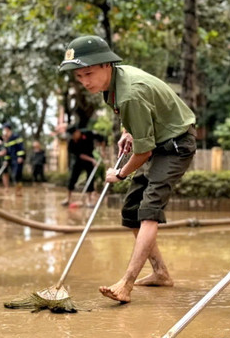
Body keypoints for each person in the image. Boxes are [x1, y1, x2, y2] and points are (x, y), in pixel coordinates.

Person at [59, 35, 196, 303]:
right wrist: (129, 130)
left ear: (106, 65)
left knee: (148, 212)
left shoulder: (130, 92)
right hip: (157, 140)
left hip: (175, 144)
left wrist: (119, 174)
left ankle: (126, 283)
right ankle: (161, 273)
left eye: (88, 73)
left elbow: (143, 152)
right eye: (79, 77)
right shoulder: (112, 85)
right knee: (132, 210)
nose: (85, 81)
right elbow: (139, 117)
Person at [62, 127, 99, 206]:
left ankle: (89, 200)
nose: (72, 137)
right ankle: (68, 198)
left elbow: (101, 138)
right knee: (72, 178)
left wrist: (102, 151)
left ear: (77, 132)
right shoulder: (71, 143)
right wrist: (92, 160)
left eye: (73, 135)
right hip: (79, 160)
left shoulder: (88, 133)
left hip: (90, 157)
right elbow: (80, 155)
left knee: (90, 178)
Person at [0, 123, 24, 193]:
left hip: (17, 159)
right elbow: (7, 151)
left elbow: (21, 147)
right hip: (11, 159)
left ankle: (19, 190)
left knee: (17, 175)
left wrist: (20, 156)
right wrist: (6, 160)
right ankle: (15, 189)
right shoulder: (7, 140)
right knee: (11, 174)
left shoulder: (16, 137)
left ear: (7, 129)